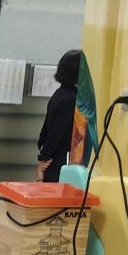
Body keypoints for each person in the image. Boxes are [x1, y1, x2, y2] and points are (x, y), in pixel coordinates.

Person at [36, 49, 81, 183]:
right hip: (60, 162)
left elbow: (46, 130)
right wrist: (43, 158)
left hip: (52, 160)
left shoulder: (59, 93)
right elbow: (57, 132)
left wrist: (43, 154)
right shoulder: (71, 98)